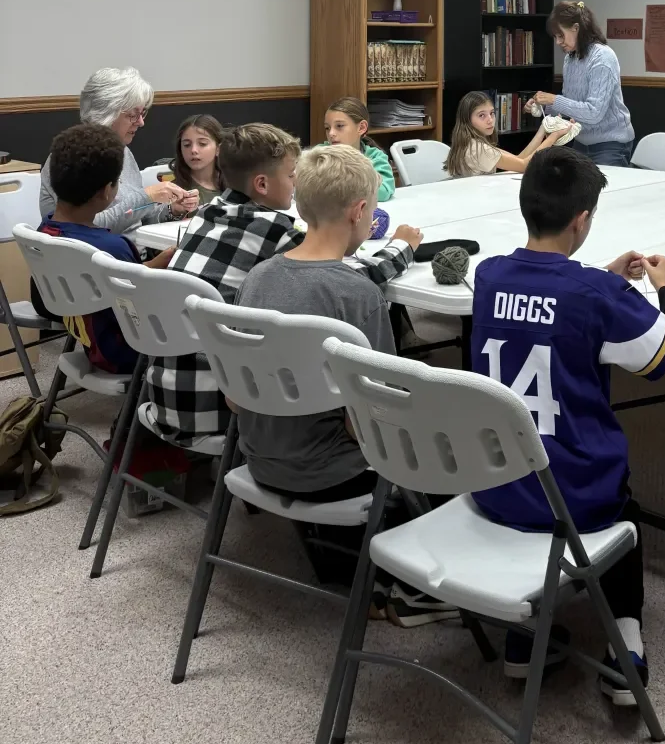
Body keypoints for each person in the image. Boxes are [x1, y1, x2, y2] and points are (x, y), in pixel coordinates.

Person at [471, 146, 665, 700]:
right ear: (581, 220)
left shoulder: (488, 275)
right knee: (625, 505)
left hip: (496, 484)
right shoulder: (597, 294)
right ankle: (626, 644)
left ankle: (527, 637)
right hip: (575, 496)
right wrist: (664, 287)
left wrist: (600, 279)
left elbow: (544, 306)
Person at [233, 144, 453, 624]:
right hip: (333, 477)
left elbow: (234, 398)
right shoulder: (357, 293)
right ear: (359, 212)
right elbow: (381, 417)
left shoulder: (257, 278)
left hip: (260, 459)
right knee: (454, 443)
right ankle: (416, 588)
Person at [146, 123, 419, 449]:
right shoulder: (273, 230)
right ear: (262, 184)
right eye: (291, 175)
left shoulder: (206, 213)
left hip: (164, 394)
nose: (296, 183)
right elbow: (348, 281)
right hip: (226, 407)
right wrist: (402, 247)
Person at [32, 125, 172, 372]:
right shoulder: (111, 247)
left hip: (93, 340)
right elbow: (139, 297)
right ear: (108, 191)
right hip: (128, 351)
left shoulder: (45, 231)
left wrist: (157, 262)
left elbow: (118, 277)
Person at [39, 67, 198, 231]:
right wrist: (147, 197)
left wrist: (172, 210)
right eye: (133, 115)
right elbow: (88, 226)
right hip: (97, 246)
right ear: (106, 113)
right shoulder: (71, 159)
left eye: (143, 113)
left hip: (131, 244)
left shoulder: (123, 151)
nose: (141, 122)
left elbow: (137, 217)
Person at [533, 1, 635, 167]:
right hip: (582, 142)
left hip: (611, 144)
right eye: (555, 37)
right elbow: (570, 104)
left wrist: (553, 100)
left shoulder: (603, 57)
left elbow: (593, 113)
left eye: (561, 35)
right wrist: (543, 106)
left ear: (576, 28)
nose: (558, 42)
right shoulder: (570, 59)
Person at [444, 91, 567, 176]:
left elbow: (519, 159)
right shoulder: (478, 149)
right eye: (481, 115)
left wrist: (544, 128)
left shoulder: (473, 143)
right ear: (467, 120)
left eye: (492, 113)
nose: (490, 120)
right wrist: (554, 136)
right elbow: (524, 165)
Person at [323, 97, 395, 202]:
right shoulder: (318, 156)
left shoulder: (375, 157)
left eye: (339, 126)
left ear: (361, 128)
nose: (331, 133)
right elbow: (304, 191)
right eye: (327, 128)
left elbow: (383, 192)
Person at [170, 114, 224, 206]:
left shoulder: (236, 185)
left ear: (218, 148)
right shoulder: (174, 191)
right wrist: (174, 210)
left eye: (202, 144)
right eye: (187, 145)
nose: (193, 150)